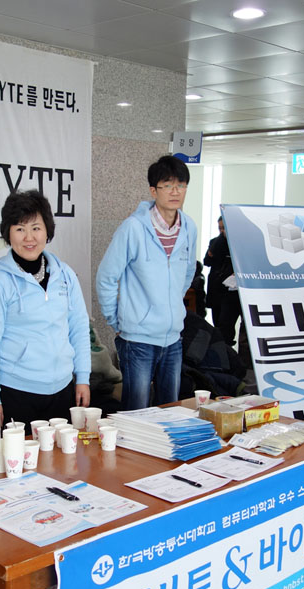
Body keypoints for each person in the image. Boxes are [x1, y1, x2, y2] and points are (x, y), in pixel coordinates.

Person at [0, 189, 91, 430]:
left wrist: (83, 377)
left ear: (47, 231)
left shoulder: (65, 275)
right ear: (8, 233)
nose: (29, 237)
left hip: (63, 389)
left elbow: (79, 328)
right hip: (16, 391)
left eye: (36, 228)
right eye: (20, 229)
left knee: (61, 454)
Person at [96, 155, 197, 410]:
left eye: (181, 185)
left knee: (169, 410)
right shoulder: (133, 228)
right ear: (154, 190)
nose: (175, 192)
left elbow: (188, 272)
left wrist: (173, 305)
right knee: (137, 413)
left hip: (173, 338)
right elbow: (106, 276)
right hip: (137, 339)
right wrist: (117, 320)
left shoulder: (189, 228)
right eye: (168, 185)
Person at [204, 215, 241, 346]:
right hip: (216, 288)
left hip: (231, 292)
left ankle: (227, 352)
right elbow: (207, 261)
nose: (222, 231)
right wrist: (220, 239)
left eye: (224, 228)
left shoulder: (239, 243)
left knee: (226, 326)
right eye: (220, 228)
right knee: (217, 325)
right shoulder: (215, 242)